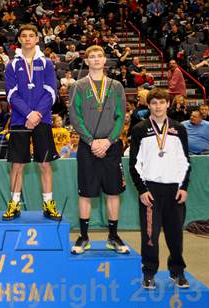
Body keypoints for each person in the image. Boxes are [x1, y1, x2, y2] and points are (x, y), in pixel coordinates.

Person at [69, 45, 129, 254]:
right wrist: (91, 140)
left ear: (105, 60)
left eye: (99, 56)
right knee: (86, 193)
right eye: (91, 57)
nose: (95, 59)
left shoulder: (116, 86)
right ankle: (84, 236)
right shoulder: (78, 85)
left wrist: (109, 141)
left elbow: (121, 116)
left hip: (111, 147)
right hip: (88, 146)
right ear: (86, 62)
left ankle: (113, 236)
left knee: (113, 192)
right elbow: (75, 117)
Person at [129, 88, 191, 289]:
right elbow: (134, 164)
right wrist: (142, 190)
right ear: (148, 106)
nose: (158, 106)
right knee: (150, 236)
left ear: (168, 104)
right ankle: (149, 272)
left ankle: (177, 271)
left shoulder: (178, 128)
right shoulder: (139, 129)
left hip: (174, 189)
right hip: (151, 191)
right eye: (154, 103)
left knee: (175, 234)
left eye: (162, 103)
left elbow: (185, 161)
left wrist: (184, 186)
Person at [3, 24, 61, 221]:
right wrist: (28, 114)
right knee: (17, 165)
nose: (27, 39)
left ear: (37, 39)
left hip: (42, 119)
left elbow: (51, 91)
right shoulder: (11, 65)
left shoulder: (47, 63)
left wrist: (36, 114)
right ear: (19, 39)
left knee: (44, 164)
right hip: (20, 120)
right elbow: (11, 94)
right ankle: (14, 204)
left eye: (31, 36)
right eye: (24, 36)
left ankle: (48, 204)